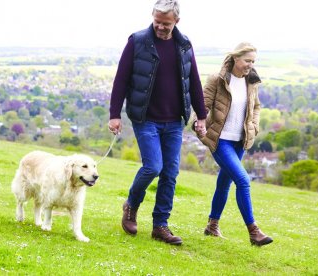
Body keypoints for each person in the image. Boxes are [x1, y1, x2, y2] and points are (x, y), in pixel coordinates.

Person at [108, 0, 207, 245]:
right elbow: (121, 79)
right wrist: (114, 114)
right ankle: (131, 205)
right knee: (153, 166)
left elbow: (193, 81)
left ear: (176, 21)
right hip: (145, 117)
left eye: (166, 23)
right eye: (157, 22)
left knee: (170, 173)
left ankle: (160, 226)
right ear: (152, 17)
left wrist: (201, 115)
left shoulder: (184, 45)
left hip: (174, 120)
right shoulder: (137, 41)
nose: (161, 27)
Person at [194, 42, 273, 246]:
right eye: (247, 60)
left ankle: (212, 225)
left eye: (253, 61)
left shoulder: (252, 81)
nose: (250, 65)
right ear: (236, 58)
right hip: (220, 140)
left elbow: (256, 107)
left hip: (240, 141)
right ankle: (254, 231)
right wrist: (198, 122)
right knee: (243, 181)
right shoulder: (218, 79)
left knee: (224, 183)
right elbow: (202, 105)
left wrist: (254, 126)